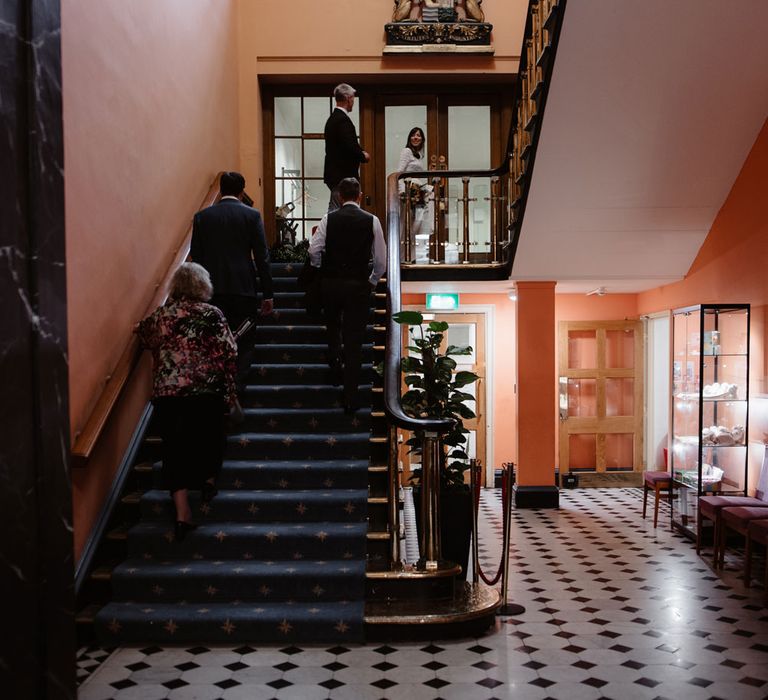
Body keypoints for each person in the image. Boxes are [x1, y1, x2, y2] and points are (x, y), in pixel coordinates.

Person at [137, 263, 237, 541]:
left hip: (169, 392)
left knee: (174, 449)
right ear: (203, 286)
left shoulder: (163, 315)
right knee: (211, 437)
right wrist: (229, 388)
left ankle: (182, 515)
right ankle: (207, 482)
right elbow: (229, 350)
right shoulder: (212, 314)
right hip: (206, 390)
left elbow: (145, 336)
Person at [309, 177, 386, 413]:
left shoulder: (328, 219)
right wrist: (371, 281)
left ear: (339, 197)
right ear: (360, 196)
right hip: (358, 286)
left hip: (331, 284)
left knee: (333, 329)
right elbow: (381, 260)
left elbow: (314, 250)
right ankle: (351, 397)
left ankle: (335, 371)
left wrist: (322, 270)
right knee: (354, 341)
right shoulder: (372, 220)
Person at [190, 171, 274, 384]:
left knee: (214, 339)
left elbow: (196, 257)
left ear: (221, 189)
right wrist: (268, 294)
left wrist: (197, 294)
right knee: (244, 339)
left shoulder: (202, 217)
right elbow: (262, 256)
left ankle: (217, 385)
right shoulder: (251, 216)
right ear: (242, 191)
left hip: (211, 291)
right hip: (243, 288)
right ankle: (237, 387)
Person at [323, 84, 370, 212]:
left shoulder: (332, 120)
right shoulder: (343, 120)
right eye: (353, 99)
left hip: (334, 176)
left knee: (335, 212)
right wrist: (363, 155)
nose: (353, 102)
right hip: (343, 177)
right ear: (348, 98)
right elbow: (350, 145)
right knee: (344, 212)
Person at [397, 126, 433, 263]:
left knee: (415, 226)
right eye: (413, 135)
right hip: (408, 192)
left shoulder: (418, 155)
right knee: (406, 225)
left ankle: (411, 257)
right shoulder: (406, 151)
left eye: (418, 135)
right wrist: (402, 192)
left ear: (422, 139)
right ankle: (401, 257)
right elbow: (399, 172)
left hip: (417, 192)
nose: (416, 137)